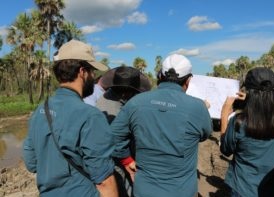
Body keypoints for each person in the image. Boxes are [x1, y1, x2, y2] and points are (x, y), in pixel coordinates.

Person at [23, 40, 118, 197]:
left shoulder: (40, 111)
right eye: (92, 71)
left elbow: (31, 163)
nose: (93, 76)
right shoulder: (90, 116)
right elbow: (104, 181)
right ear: (82, 72)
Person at [111, 54, 213, 197]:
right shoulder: (198, 107)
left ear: (160, 75)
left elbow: (113, 137)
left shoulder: (135, 102)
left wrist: (127, 160)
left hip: (144, 189)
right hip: (182, 191)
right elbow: (204, 135)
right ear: (188, 80)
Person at [220, 67, 274, 197]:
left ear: (249, 91)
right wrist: (250, 98)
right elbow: (269, 104)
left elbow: (225, 149)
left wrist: (224, 115)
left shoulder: (239, 122)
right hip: (269, 188)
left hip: (243, 189)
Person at [97, 66, 151, 197]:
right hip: (116, 160)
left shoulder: (118, 99)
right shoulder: (110, 108)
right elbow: (115, 140)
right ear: (125, 92)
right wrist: (128, 160)